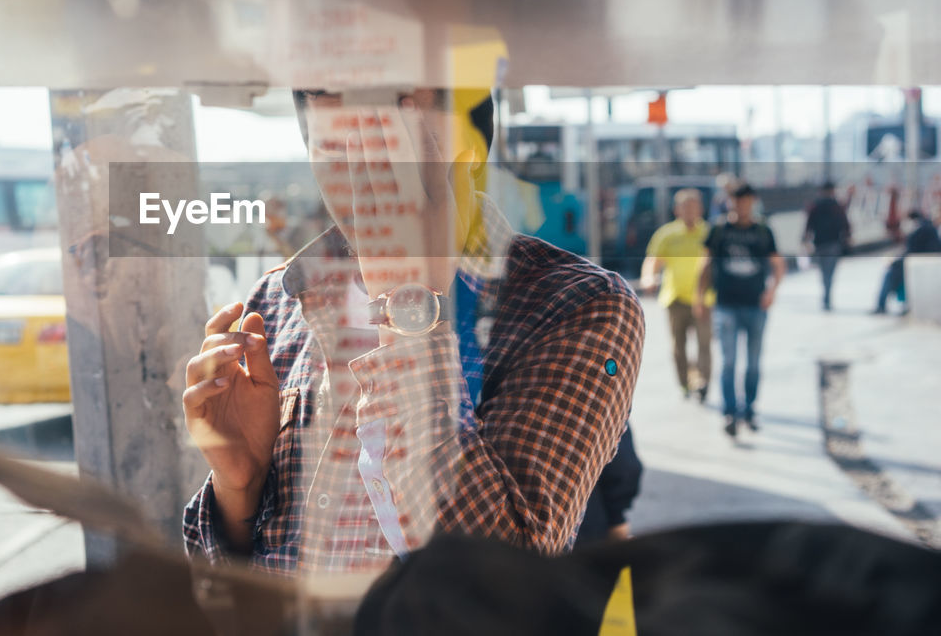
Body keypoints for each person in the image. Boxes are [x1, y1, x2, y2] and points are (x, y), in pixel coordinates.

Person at [181, 88, 645, 574]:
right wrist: (237, 490)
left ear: (471, 148)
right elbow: (226, 591)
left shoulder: (574, 305)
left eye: (393, 143)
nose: (368, 177)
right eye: (337, 150)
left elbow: (499, 585)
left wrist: (409, 302)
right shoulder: (276, 300)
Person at [696, 183, 785, 438]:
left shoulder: (763, 231)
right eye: (737, 201)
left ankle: (750, 409)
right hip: (725, 304)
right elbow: (705, 264)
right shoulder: (719, 230)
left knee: (754, 364)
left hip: (756, 305)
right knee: (729, 362)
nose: (742, 206)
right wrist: (699, 296)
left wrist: (772, 291)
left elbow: (778, 265)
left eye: (746, 201)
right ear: (730, 202)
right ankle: (729, 413)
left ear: (752, 202)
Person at [640, 189, 713, 402]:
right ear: (677, 210)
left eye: (694, 206)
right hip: (675, 298)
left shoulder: (709, 233)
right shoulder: (667, 234)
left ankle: (702, 381)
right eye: (685, 207)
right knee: (678, 347)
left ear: (701, 209)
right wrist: (648, 278)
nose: (690, 211)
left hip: (703, 299)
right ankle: (685, 382)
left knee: (704, 344)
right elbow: (653, 260)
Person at [573, 424, 642, 546]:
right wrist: (616, 517)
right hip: (588, 531)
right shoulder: (599, 407)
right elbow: (625, 467)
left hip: (534, 544)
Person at [873, 210, 941, 315]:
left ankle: (881, 306)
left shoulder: (920, 230)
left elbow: (911, 251)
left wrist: (894, 261)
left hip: (914, 263)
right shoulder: (928, 228)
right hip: (919, 262)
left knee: (889, 275)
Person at [803, 181, 851, 311]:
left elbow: (808, 224)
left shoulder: (815, 205)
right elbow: (845, 223)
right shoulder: (836, 206)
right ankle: (827, 297)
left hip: (820, 243)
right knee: (829, 272)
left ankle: (826, 296)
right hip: (833, 243)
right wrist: (847, 238)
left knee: (824, 272)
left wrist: (805, 240)